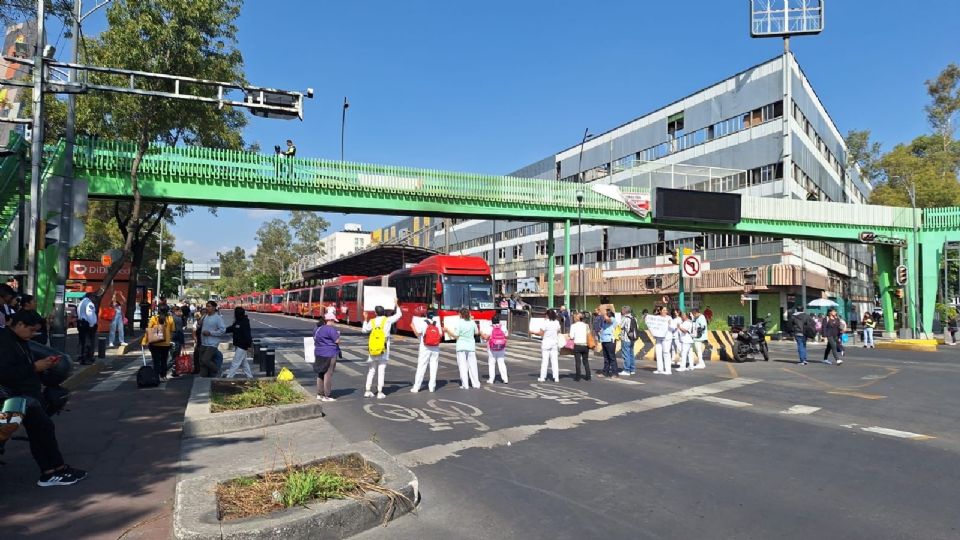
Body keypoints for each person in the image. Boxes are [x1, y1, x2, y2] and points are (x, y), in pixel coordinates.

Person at [0, 310, 87, 486]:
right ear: (19, 325)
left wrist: (45, 365)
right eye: (31, 330)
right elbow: (5, 374)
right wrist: (34, 367)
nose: (33, 335)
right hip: (16, 398)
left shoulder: (20, 340)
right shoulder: (4, 342)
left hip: (27, 396)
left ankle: (57, 469)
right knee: (42, 431)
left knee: (42, 431)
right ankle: (51, 473)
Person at [362, 306, 403, 399]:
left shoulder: (372, 321)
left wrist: (365, 319)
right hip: (383, 349)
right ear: (384, 312)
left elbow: (364, 330)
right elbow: (399, 315)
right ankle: (380, 392)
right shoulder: (387, 320)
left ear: (375, 313)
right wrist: (397, 305)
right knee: (381, 371)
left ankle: (367, 390)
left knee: (371, 370)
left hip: (373, 349)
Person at [445, 307, 481, 389]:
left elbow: (456, 336)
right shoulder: (472, 322)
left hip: (461, 346)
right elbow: (476, 332)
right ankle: (476, 383)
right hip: (471, 346)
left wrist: (447, 331)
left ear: (460, 314)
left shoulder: (459, 323)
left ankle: (465, 384)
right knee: (473, 366)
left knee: (463, 366)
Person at [141, 305, 175, 381]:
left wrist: (144, 341)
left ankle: (157, 376)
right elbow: (172, 330)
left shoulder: (154, 318)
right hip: (166, 343)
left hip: (154, 343)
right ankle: (163, 376)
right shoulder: (170, 318)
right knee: (164, 360)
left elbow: (148, 330)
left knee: (156, 361)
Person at [412, 310, 442, 392]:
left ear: (426, 315)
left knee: (421, 366)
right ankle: (432, 387)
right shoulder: (437, 323)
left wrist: (413, 326)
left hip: (425, 347)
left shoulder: (423, 322)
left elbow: (418, 334)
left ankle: (416, 387)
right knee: (434, 367)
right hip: (435, 348)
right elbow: (440, 335)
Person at [312, 313, 340, 401]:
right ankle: (326, 395)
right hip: (330, 353)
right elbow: (337, 340)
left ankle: (319, 394)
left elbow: (314, 338)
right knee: (328, 374)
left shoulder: (318, 329)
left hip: (319, 353)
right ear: (330, 320)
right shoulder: (331, 329)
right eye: (333, 321)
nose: (334, 323)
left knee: (320, 373)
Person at [195, 301, 226, 377]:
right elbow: (199, 325)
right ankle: (204, 376)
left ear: (214, 308)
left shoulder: (217, 318)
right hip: (203, 342)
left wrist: (210, 333)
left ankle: (217, 370)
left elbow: (222, 330)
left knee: (206, 359)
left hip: (212, 343)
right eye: (207, 306)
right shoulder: (205, 316)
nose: (207, 308)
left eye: (209, 306)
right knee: (201, 361)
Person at [224, 307, 254, 379]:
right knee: (244, 362)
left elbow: (247, 334)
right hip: (238, 344)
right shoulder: (237, 321)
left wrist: (249, 345)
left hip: (243, 345)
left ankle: (229, 377)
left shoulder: (244, 322)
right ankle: (250, 377)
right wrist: (223, 330)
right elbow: (232, 328)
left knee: (236, 362)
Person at [533, 309, 561, 383]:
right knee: (555, 361)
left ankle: (542, 377)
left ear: (547, 315)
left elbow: (541, 333)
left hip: (546, 343)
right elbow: (558, 332)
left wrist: (532, 332)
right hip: (554, 343)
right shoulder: (557, 322)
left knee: (545, 361)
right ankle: (556, 377)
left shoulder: (545, 322)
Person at [481, 313, 509, 384]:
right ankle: (505, 379)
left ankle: (491, 379)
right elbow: (506, 336)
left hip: (492, 347)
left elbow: (486, 337)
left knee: (491, 363)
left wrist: (481, 334)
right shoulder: (503, 327)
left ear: (492, 321)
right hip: (501, 347)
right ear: (499, 321)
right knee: (501, 362)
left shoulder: (490, 327)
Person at [646, 306, 672, 374]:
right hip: (658, 338)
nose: (665, 311)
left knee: (666, 353)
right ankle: (660, 369)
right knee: (658, 353)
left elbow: (673, 327)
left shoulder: (669, 318)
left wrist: (670, 323)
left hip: (666, 338)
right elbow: (651, 324)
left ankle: (668, 370)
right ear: (660, 311)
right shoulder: (657, 318)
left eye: (666, 310)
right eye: (663, 310)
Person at [76, 292, 98, 365]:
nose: (95, 299)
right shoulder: (89, 303)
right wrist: (92, 325)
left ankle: (81, 357)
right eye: (95, 297)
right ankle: (86, 359)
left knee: (82, 341)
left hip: (81, 323)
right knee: (88, 342)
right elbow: (90, 314)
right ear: (91, 297)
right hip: (87, 324)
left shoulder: (81, 302)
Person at [569, 311, 591, 381]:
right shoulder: (586, 325)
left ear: (577, 318)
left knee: (578, 362)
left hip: (577, 345)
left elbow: (571, 337)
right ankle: (588, 376)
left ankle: (578, 377)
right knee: (586, 361)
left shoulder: (573, 326)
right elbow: (589, 334)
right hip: (585, 345)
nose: (574, 318)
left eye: (575, 317)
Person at [597, 308, 618, 377]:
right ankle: (605, 372)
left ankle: (615, 373)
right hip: (604, 340)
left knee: (612, 357)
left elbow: (608, 320)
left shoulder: (612, 319)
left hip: (610, 340)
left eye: (605, 313)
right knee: (606, 358)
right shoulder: (604, 321)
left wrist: (604, 315)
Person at [618, 306, 638, 376]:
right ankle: (632, 369)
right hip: (632, 339)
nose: (621, 311)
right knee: (631, 354)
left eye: (622, 310)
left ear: (624, 311)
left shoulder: (625, 318)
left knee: (626, 354)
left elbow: (620, 326)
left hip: (626, 338)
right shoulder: (634, 318)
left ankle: (626, 370)